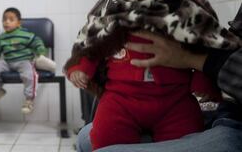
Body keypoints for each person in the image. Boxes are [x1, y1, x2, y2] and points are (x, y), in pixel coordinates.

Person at [64, 0, 241, 150]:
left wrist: (204, 81)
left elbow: (211, 45)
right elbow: (92, 41)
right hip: (120, 99)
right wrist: (82, 66)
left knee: (186, 130)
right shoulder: (115, 9)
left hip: (174, 100)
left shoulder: (189, 12)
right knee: (103, 137)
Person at [77, 29, 242, 152]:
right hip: (125, 100)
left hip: (180, 105)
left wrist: (200, 76)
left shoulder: (185, 10)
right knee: (86, 138)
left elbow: (204, 41)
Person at [0, 7, 47, 114]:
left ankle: (29, 99)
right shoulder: (1, 38)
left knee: (29, 74)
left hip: (24, 61)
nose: (7, 22)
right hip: (8, 63)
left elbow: (37, 41)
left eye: (11, 19)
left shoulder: (25, 34)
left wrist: (41, 51)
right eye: (4, 19)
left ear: (19, 23)